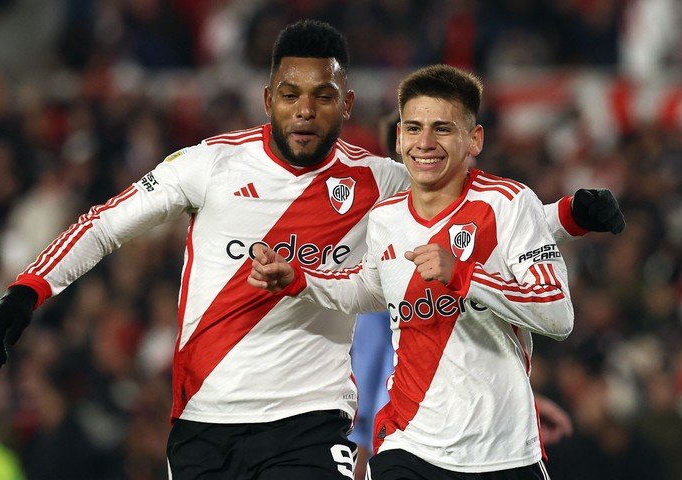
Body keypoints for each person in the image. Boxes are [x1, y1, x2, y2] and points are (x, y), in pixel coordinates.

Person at [0, 20, 621, 480]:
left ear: (346, 101)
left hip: (316, 418)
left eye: (322, 95)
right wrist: (26, 292)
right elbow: (105, 223)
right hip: (204, 416)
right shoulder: (210, 165)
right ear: (269, 99)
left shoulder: (381, 179)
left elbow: (481, 217)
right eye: (291, 94)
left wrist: (568, 215)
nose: (305, 110)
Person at [248, 64, 589, 479]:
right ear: (398, 138)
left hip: (503, 450)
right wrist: (300, 278)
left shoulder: (510, 204)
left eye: (442, 129)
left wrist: (465, 275)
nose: (424, 142)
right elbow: (368, 287)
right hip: (408, 444)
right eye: (413, 128)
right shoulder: (387, 217)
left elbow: (557, 314)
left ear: (474, 139)